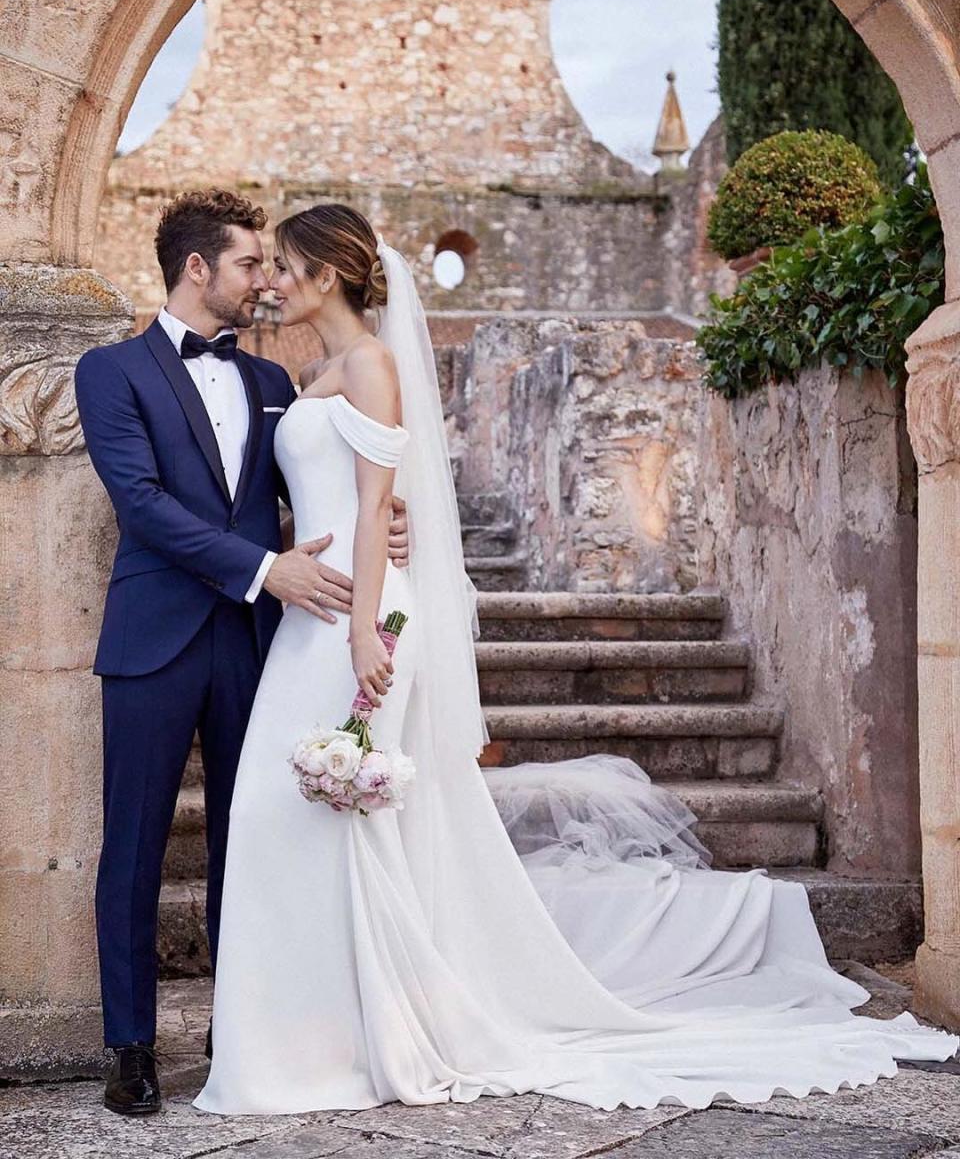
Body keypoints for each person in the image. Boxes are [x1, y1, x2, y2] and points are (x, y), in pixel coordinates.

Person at [195, 203, 958, 1117]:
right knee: (289, 809)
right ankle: (309, 1031)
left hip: (357, 617)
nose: (270, 279)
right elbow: (331, 498)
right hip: (312, 607)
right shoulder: (311, 371)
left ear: (328, 272)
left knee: (342, 807)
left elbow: (374, 507)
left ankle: (363, 1036)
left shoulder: (372, 364)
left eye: (282, 263)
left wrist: (364, 628)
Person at [74, 190, 410, 1115]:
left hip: (260, 646)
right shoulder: (109, 373)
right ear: (197, 270)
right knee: (134, 847)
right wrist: (267, 567)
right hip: (154, 639)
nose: (268, 281)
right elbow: (142, 504)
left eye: (274, 266)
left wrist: (387, 526)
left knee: (248, 842)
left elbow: (329, 481)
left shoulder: (275, 385)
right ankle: (129, 1048)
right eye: (251, 264)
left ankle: (242, 1031)